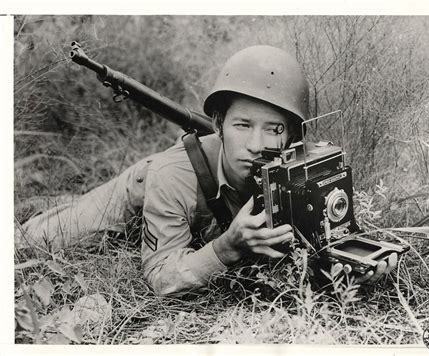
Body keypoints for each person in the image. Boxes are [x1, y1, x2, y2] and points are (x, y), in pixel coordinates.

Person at [15, 45, 397, 296]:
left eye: (274, 129)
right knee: (35, 241)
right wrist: (227, 247)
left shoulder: (300, 170)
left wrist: (351, 266)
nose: (255, 144)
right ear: (217, 124)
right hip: (141, 192)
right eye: (242, 125)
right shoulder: (173, 175)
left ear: (293, 135)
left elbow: (317, 243)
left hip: (186, 216)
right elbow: (161, 280)